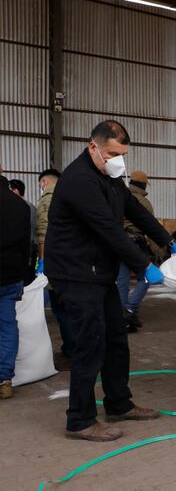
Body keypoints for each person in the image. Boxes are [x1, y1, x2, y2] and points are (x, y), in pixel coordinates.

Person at [45, 120, 176, 442]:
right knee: (90, 345)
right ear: (93, 146)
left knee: (116, 340)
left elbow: (134, 209)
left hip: (98, 273)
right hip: (75, 274)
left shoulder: (109, 176)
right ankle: (79, 420)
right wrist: (145, 265)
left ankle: (119, 403)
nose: (117, 160)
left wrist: (168, 240)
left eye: (122, 154)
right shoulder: (80, 180)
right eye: (112, 153)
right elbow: (109, 229)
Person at [37, 168, 74, 368]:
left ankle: (71, 349)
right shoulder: (71, 197)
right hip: (74, 262)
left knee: (61, 309)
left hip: (55, 263)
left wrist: (42, 262)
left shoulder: (47, 200)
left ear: (44, 183)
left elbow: (43, 233)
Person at [0, 171, 32, 399]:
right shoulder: (19, 204)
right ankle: (4, 380)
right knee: (7, 326)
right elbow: (26, 242)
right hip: (11, 274)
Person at [116, 171, 156, 332]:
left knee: (122, 282)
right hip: (136, 243)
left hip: (119, 243)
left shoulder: (118, 197)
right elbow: (151, 227)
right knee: (147, 277)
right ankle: (130, 310)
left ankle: (123, 318)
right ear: (144, 185)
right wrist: (156, 251)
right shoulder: (144, 202)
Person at [9, 179, 38, 285]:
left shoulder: (24, 207)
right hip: (29, 248)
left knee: (26, 280)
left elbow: (29, 231)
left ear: (16, 190)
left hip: (28, 248)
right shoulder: (30, 206)